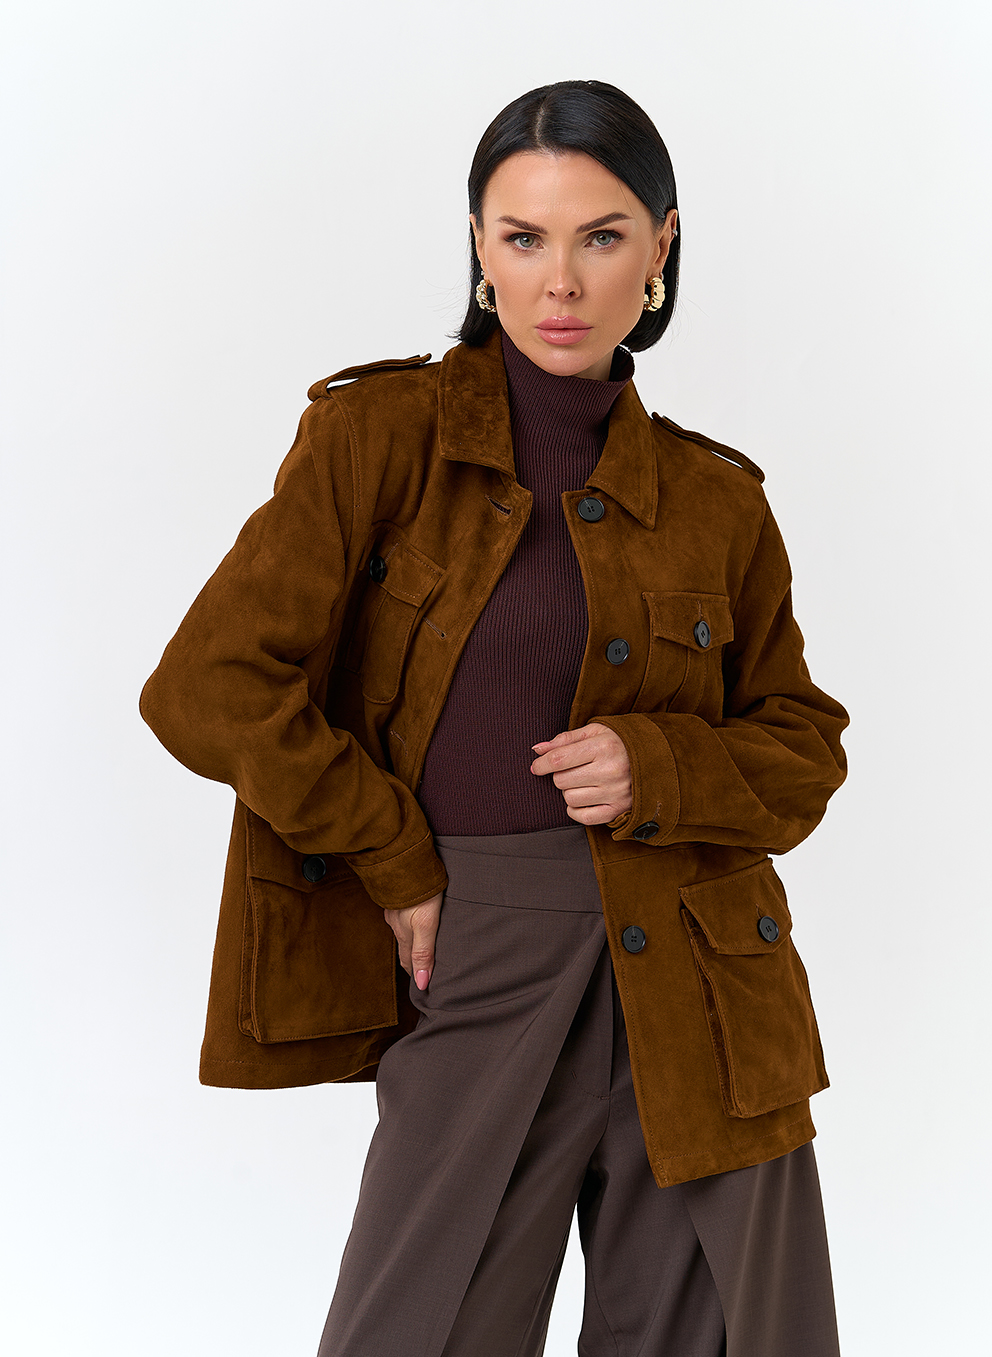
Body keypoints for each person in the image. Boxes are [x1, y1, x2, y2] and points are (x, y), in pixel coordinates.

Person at [140, 79, 849, 1357]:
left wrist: (658, 764)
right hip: (474, 945)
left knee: (720, 1332)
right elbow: (206, 685)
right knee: (420, 1324)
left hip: (700, 973)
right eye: (523, 237)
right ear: (478, 245)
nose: (559, 281)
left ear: (660, 249)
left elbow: (800, 745)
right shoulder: (378, 439)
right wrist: (392, 853)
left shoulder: (714, 499)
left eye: (600, 236)